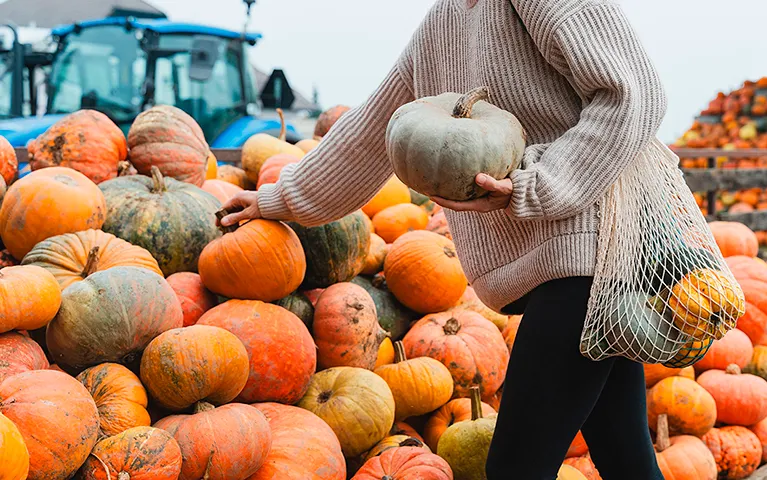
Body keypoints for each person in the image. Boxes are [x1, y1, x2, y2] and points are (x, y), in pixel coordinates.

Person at [219, 0, 667, 478]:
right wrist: (278, 198)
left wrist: (539, 182)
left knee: (516, 468)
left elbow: (634, 93)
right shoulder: (444, 21)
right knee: (625, 460)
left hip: (588, 259)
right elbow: (374, 131)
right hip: (568, 268)